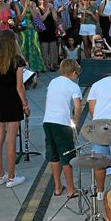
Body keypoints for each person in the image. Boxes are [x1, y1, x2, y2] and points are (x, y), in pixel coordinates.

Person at [0, 30, 28, 187]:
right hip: (12, 100)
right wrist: (25, 103)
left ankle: (0, 175)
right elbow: (20, 86)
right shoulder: (18, 60)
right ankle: (12, 177)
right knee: (11, 141)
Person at [43, 59, 82, 197]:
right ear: (73, 73)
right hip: (62, 123)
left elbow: (47, 102)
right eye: (76, 74)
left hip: (48, 121)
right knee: (67, 157)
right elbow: (78, 107)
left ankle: (58, 187)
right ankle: (71, 189)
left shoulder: (53, 82)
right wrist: (76, 123)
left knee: (54, 155)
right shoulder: (73, 86)